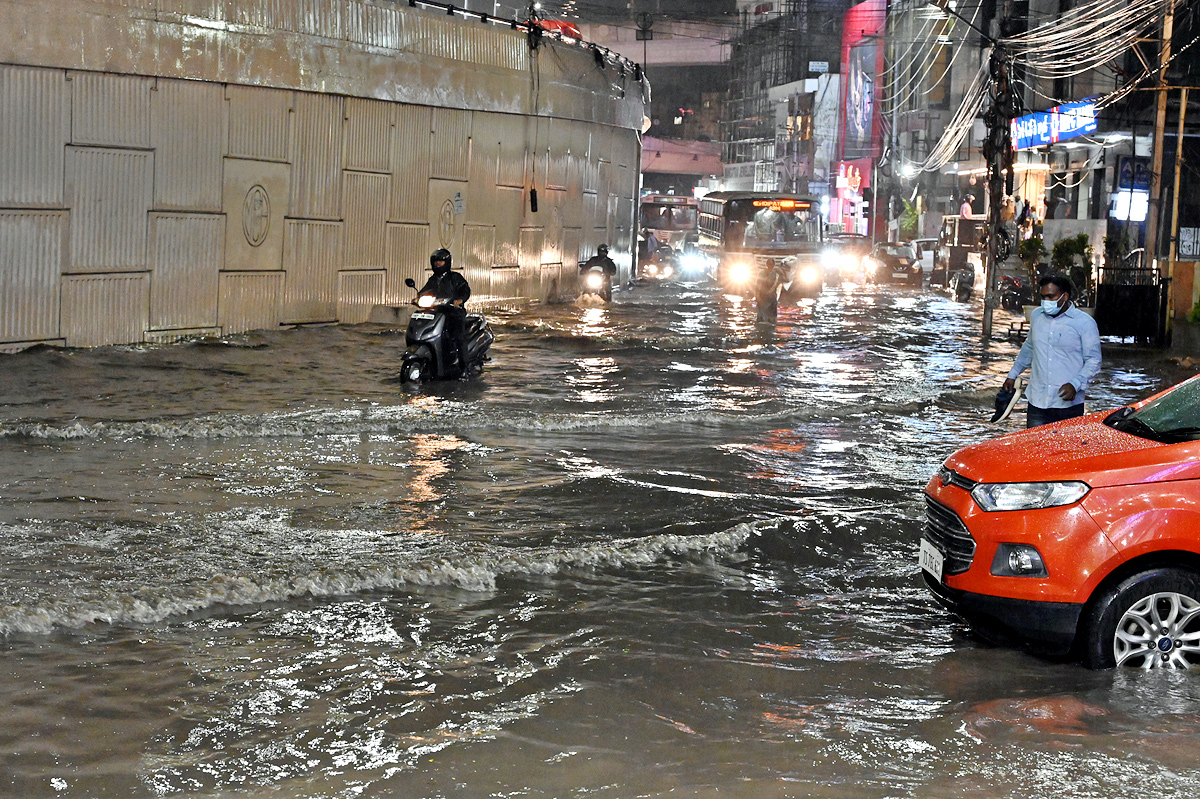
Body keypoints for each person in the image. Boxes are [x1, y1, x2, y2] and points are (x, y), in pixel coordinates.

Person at [1002, 273, 1101, 428]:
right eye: (1043, 297)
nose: (1046, 302)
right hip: (1037, 402)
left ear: (1065, 296)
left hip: (1068, 406)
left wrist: (1075, 384)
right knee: (1035, 450)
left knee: (1064, 451)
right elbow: (1029, 347)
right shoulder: (1037, 316)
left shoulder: (1084, 323)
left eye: (1051, 297)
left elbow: (1094, 360)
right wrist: (1013, 375)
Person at [417, 248, 471, 365]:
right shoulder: (433, 280)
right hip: (436, 312)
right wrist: (418, 298)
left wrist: (459, 300)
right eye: (436, 261)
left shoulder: (455, 277)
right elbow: (425, 291)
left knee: (458, 337)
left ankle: (464, 367)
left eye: (441, 261)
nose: (438, 263)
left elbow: (465, 290)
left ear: (447, 262)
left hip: (453, 312)